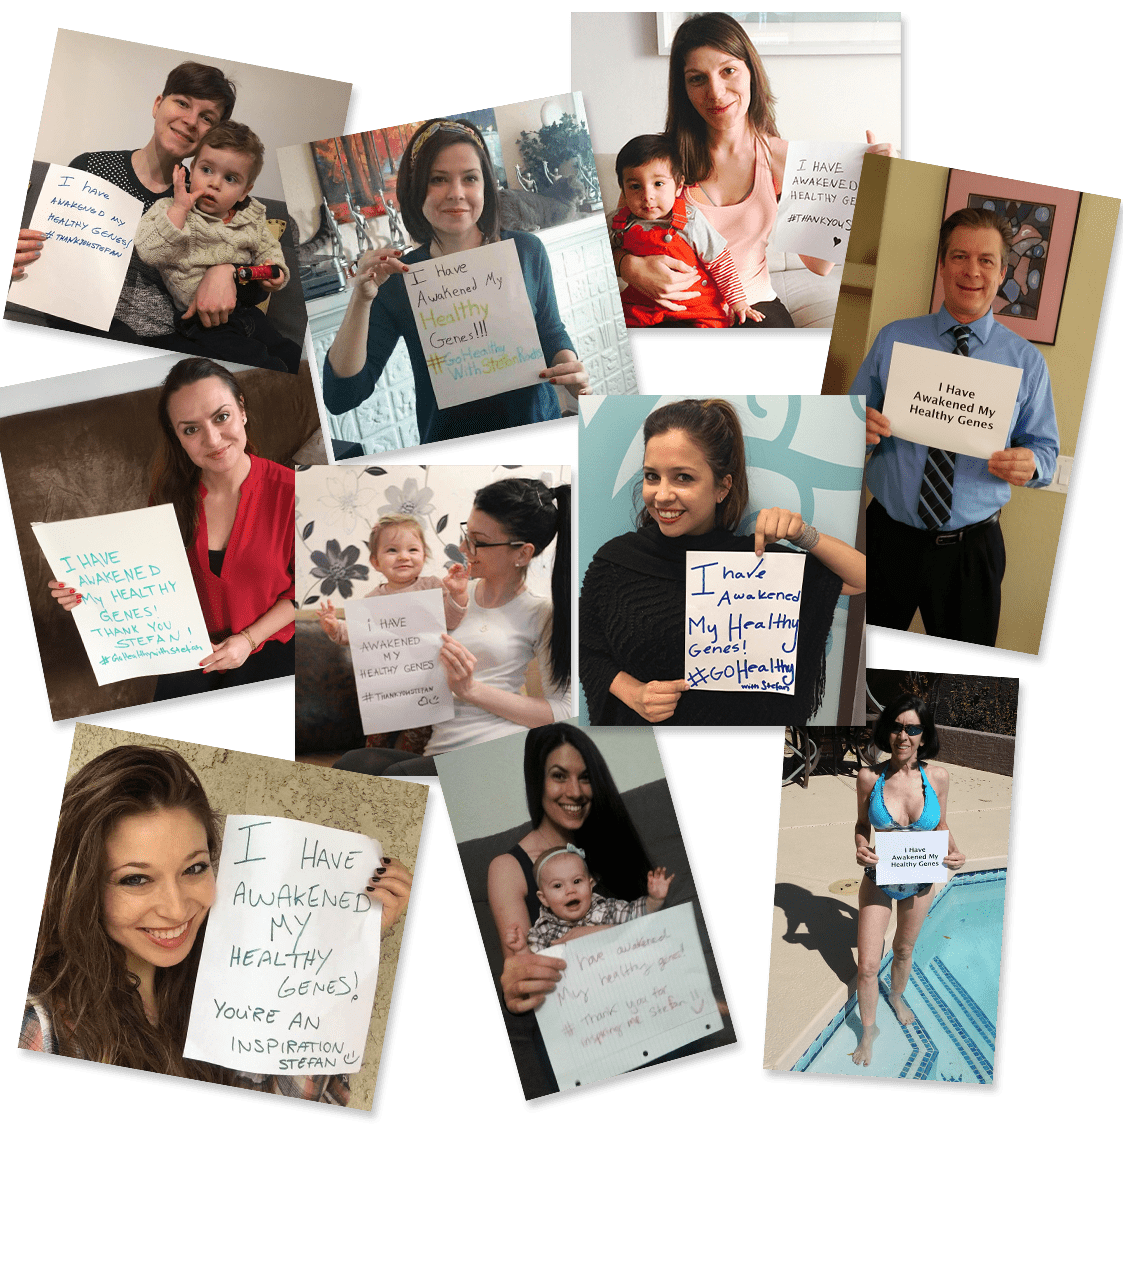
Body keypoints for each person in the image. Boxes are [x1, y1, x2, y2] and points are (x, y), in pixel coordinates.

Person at [18, 744, 412, 1104]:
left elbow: (307, 1096)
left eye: (194, 868)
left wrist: (346, 941)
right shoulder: (41, 1024)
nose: (176, 910)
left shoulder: (238, 972)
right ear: (81, 886)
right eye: (135, 879)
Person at [579, 398, 866, 727]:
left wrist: (802, 534)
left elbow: (861, 578)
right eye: (652, 476)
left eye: (683, 477)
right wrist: (632, 692)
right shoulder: (615, 561)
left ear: (722, 487)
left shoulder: (754, 564)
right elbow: (586, 646)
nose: (661, 495)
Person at [853, 206, 1061, 647]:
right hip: (887, 538)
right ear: (942, 265)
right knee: (857, 654)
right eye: (960, 257)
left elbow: (1044, 451)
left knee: (962, 666)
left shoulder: (1027, 362)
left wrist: (1031, 464)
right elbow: (843, 430)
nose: (972, 271)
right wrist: (856, 429)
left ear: (1003, 271)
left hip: (971, 552)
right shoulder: (894, 338)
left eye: (986, 260)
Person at [322, 117, 588, 447]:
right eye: (438, 179)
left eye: (470, 178)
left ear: (486, 187)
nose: (457, 193)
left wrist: (569, 368)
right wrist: (360, 300)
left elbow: (550, 330)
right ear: (416, 190)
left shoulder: (526, 250)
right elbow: (341, 396)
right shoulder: (399, 278)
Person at [617, 12, 891, 327]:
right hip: (675, 312)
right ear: (684, 89)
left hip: (755, 306)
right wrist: (629, 267)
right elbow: (618, 234)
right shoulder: (661, 161)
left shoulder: (784, 158)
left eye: (728, 70)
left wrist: (868, 188)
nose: (716, 92)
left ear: (751, 73)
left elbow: (820, 265)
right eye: (697, 78)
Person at [49, 357, 296, 700]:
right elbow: (142, 579)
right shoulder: (168, 495)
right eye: (191, 429)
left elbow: (310, 591)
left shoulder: (295, 491)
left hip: (270, 639)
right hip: (186, 646)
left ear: (242, 410)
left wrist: (248, 640)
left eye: (221, 417)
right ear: (178, 437)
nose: (212, 440)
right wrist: (85, 591)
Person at [333, 477, 572, 778]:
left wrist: (470, 689)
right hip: (441, 747)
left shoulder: (542, 614)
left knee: (395, 778)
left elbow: (563, 711)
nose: (462, 547)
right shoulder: (448, 595)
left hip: (495, 749)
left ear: (522, 553)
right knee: (352, 765)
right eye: (466, 533)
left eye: (477, 541)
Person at [12, 62, 242, 341]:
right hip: (80, 320)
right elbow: (48, 251)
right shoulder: (90, 168)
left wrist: (226, 269)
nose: (191, 121)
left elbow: (251, 257)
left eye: (207, 118)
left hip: (166, 337)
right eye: (182, 103)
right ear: (158, 104)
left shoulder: (205, 199)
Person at [487, 724, 656, 1016]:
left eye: (586, 778)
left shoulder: (614, 843)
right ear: (537, 780)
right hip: (582, 1020)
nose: (575, 792)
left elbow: (657, 935)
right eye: (559, 776)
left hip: (647, 998)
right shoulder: (507, 868)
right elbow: (525, 978)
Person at [851, 695, 965, 1067]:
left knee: (903, 950)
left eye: (913, 728)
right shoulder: (869, 776)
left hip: (920, 882)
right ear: (888, 731)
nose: (904, 735)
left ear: (923, 734)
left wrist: (955, 850)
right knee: (868, 965)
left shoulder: (938, 777)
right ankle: (869, 1031)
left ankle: (897, 997)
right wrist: (860, 846)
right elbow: (861, 825)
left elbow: (941, 823)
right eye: (898, 727)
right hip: (879, 878)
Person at [133, 122, 300, 371]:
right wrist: (179, 209)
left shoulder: (252, 218)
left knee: (291, 353)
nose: (214, 183)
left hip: (249, 313)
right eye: (207, 169)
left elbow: (269, 251)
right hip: (203, 322)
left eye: (230, 178)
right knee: (257, 361)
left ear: (245, 191)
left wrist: (274, 271)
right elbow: (149, 251)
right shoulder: (169, 209)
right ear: (192, 169)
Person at [317, 513, 466, 750]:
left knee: (415, 741)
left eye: (413, 550)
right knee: (375, 742)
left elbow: (452, 620)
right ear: (376, 562)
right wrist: (335, 627)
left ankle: (406, 767)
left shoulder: (433, 587)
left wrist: (457, 594)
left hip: (425, 687)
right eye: (392, 550)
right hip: (386, 691)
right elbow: (357, 634)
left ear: (424, 555)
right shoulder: (373, 599)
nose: (403, 557)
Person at [611, 133, 759, 328]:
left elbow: (720, 261)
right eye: (635, 186)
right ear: (623, 188)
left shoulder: (690, 219)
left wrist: (738, 303)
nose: (647, 196)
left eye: (658, 184)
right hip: (643, 311)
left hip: (696, 311)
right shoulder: (619, 222)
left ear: (679, 186)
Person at [523, 843, 673, 952]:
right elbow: (535, 963)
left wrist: (654, 900)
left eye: (577, 881)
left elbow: (636, 914)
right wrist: (519, 949)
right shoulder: (541, 931)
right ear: (544, 899)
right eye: (557, 886)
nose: (570, 890)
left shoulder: (607, 909)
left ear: (590, 885)